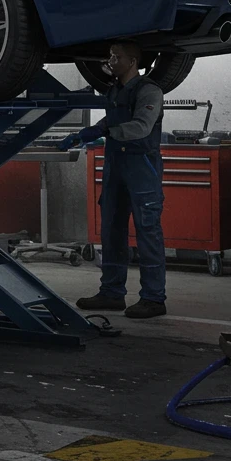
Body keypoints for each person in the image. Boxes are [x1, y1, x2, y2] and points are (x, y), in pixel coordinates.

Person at [59, 39, 167, 319]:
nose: (110, 62)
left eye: (116, 57)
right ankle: (111, 293)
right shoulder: (114, 90)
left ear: (132, 62)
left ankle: (154, 299)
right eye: (110, 56)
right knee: (111, 231)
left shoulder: (149, 91)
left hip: (142, 166)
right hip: (116, 167)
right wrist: (86, 132)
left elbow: (141, 127)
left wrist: (109, 133)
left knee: (148, 233)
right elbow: (109, 121)